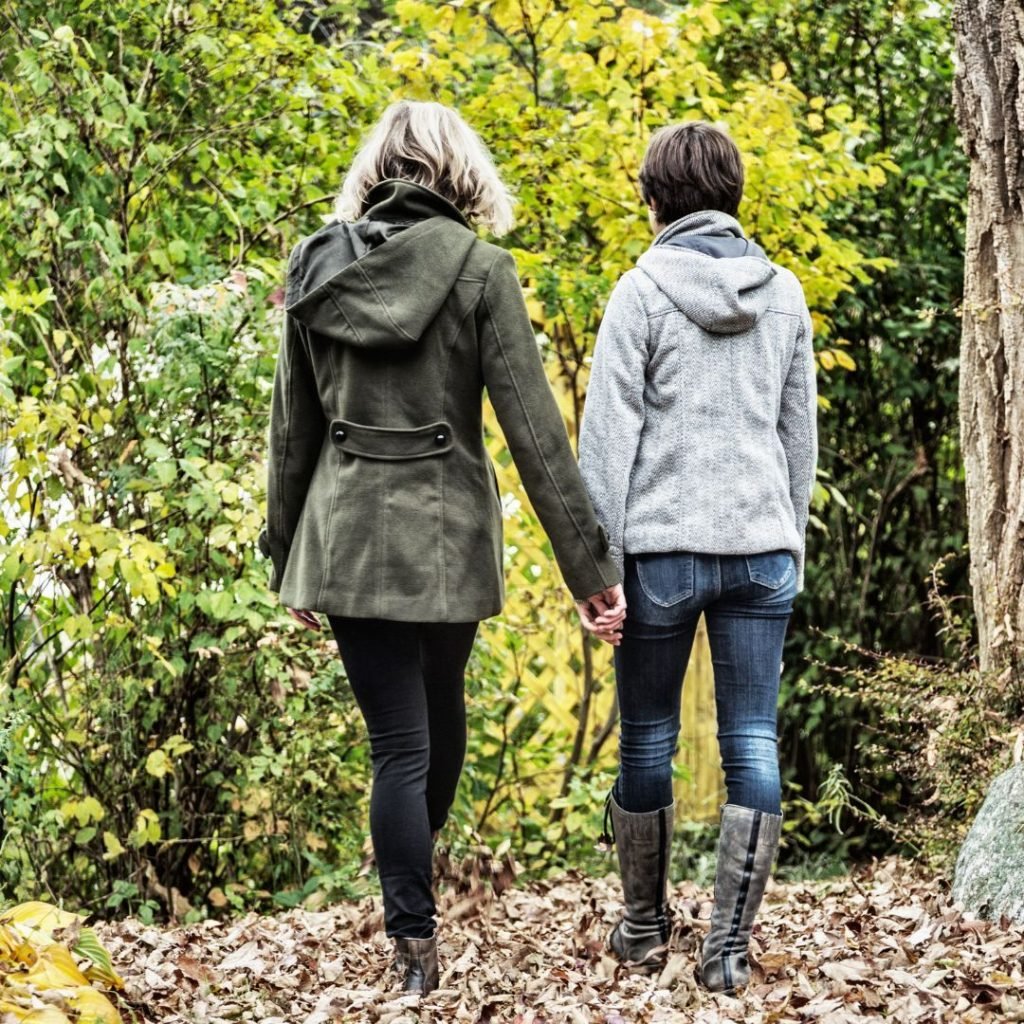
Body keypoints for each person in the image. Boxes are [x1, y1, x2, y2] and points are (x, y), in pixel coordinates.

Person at [258, 100, 625, 996]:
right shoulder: (479, 268)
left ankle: (410, 935)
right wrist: (593, 572)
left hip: (344, 537)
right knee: (432, 729)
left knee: (401, 742)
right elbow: (536, 435)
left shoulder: (317, 265)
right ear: (461, 175)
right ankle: (412, 920)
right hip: (447, 538)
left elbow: (291, 431)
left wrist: (284, 553)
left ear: (377, 170)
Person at [578, 120, 818, 994]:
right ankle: (727, 950)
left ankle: (643, 930)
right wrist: (783, 534)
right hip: (762, 548)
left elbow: (606, 445)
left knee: (648, 736)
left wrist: (595, 573)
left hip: (663, 553)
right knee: (751, 736)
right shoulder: (784, 292)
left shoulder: (640, 291)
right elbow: (800, 439)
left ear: (656, 199)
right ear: (734, 194)